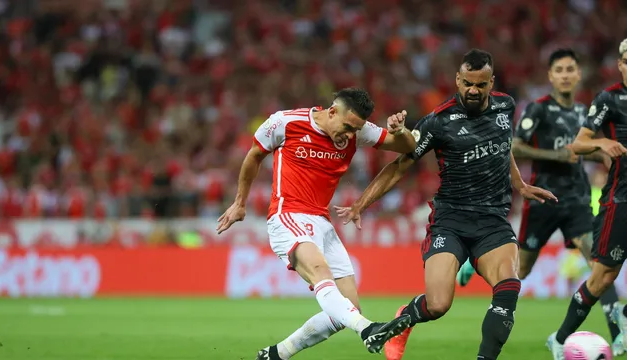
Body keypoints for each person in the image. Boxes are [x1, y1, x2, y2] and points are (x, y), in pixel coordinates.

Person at [336, 49, 557, 360]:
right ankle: (403, 320)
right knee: (438, 305)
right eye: (467, 83)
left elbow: (503, 146)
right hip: (450, 221)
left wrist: (519, 183)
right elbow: (401, 165)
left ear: (491, 83)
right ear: (457, 79)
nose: (473, 90)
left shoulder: (506, 106)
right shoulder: (439, 121)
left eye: (480, 85)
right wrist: (361, 203)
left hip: (493, 221)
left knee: (509, 288)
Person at [216, 88, 420, 359]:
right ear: (332, 111)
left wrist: (402, 130)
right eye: (347, 127)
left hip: (322, 223)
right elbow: (254, 154)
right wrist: (240, 203)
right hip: (287, 215)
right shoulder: (285, 122)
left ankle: (277, 354)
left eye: (355, 130)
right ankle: (368, 329)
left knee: (347, 308)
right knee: (319, 270)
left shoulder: (358, 130)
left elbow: (408, 147)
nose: (350, 135)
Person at [454, 48, 624, 355]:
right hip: (543, 199)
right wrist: (554, 155)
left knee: (600, 266)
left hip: (577, 199)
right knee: (522, 270)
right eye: (559, 70)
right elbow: (514, 147)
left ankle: (618, 334)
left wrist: (605, 155)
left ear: (578, 74)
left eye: (570, 69)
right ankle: (474, 261)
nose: (565, 75)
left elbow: (587, 148)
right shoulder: (538, 109)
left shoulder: (583, 112)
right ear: (551, 76)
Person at [547, 39, 627, 359]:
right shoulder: (609, 99)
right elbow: (578, 145)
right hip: (620, 200)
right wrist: (604, 144)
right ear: (621, 65)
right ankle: (561, 337)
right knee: (602, 277)